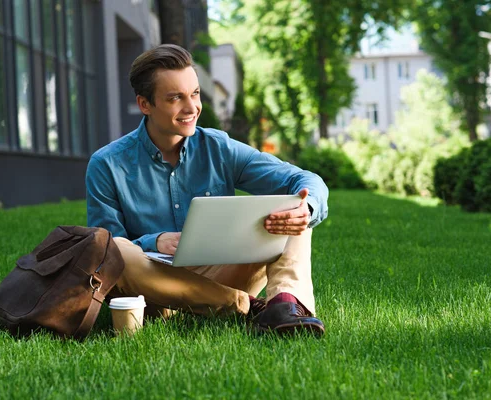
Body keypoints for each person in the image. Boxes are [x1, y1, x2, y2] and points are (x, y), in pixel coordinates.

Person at [86, 44, 329, 336]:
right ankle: (249, 307)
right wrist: (154, 241)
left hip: (221, 274)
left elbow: (304, 179)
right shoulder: (106, 163)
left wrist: (307, 207)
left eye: (195, 93)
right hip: (154, 293)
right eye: (175, 98)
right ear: (145, 104)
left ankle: (287, 306)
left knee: (295, 209)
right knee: (118, 252)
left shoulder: (219, 147)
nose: (192, 108)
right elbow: (104, 254)